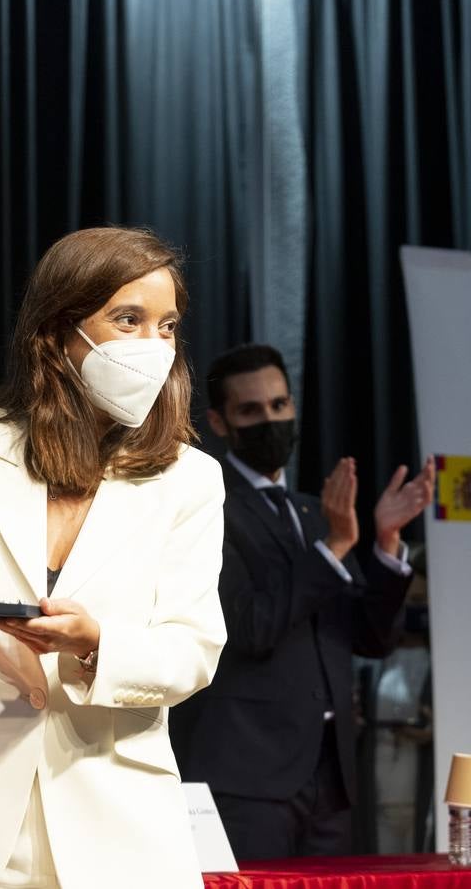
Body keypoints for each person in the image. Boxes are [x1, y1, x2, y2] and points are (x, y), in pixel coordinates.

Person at [0, 227, 226, 888]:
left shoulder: (188, 477)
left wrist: (95, 644)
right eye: (128, 320)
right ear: (60, 330)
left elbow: (193, 648)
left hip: (119, 822)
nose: (153, 345)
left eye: (167, 326)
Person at [168, 343, 434, 860]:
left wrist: (384, 544)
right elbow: (250, 628)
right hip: (248, 775)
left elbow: (370, 637)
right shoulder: (208, 506)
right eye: (251, 411)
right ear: (220, 423)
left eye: (278, 405)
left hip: (332, 777)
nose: (270, 419)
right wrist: (334, 546)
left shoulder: (315, 513)